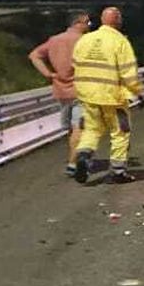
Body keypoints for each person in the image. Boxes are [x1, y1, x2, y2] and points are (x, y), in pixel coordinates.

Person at [71, 6, 144, 184]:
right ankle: (118, 172)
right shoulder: (120, 42)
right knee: (120, 132)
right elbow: (128, 73)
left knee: (91, 130)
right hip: (113, 97)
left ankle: (83, 156)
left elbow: (75, 63)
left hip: (87, 95)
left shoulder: (85, 40)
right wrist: (137, 93)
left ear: (103, 20)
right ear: (118, 20)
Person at [28, 10, 91, 176]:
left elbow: (34, 55)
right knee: (79, 127)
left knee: (70, 127)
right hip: (82, 90)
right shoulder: (86, 41)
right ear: (80, 22)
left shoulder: (54, 40)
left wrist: (49, 74)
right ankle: (73, 163)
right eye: (87, 22)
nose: (89, 26)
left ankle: (74, 156)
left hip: (61, 91)